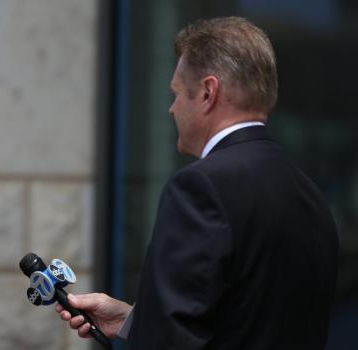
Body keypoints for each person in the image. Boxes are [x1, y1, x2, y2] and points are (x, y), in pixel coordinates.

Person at [57, 17, 339, 349]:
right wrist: (134, 320)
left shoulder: (201, 188)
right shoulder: (311, 196)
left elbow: (172, 342)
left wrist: (154, 330)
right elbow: (244, 320)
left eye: (176, 93)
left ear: (207, 92)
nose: (171, 108)